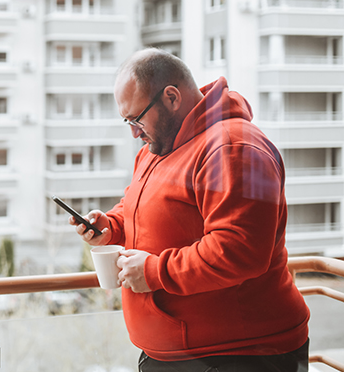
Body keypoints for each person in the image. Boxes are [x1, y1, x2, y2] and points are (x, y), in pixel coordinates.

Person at [71, 48, 310, 371]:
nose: (133, 132)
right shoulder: (155, 149)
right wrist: (111, 226)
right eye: (126, 120)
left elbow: (240, 251)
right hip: (182, 354)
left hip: (238, 355)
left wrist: (155, 272)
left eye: (137, 118)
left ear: (171, 97)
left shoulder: (233, 148)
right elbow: (138, 208)